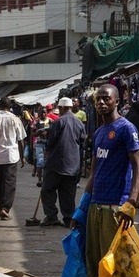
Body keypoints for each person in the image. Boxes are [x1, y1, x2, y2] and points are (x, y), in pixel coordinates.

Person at [72, 83, 139, 277]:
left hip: (117, 207)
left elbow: (138, 164)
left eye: (106, 99)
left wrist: (132, 201)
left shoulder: (126, 128)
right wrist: (82, 208)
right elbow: (93, 171)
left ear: (117, 101)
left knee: (120, 264)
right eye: (98, 99)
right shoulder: (100, 131)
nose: (102, 102)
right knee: (102, 265)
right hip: (96, 206)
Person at [40, 97, 86, 227]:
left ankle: (51, 216)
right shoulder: (79, 123)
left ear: (61, 108)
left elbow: (50, 143)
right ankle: (68, 218)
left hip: (56, 163)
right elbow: (82, 145)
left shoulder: (58, 122)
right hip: (72, 164)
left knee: (47, 190)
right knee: (68, 194)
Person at [0, 97, 26, 220]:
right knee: (9, 183)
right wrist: (23, 156)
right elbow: (21, 140)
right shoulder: (15, 119)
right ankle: (5, 207)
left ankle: (1, 205)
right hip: (10, 156)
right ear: (9, 106)